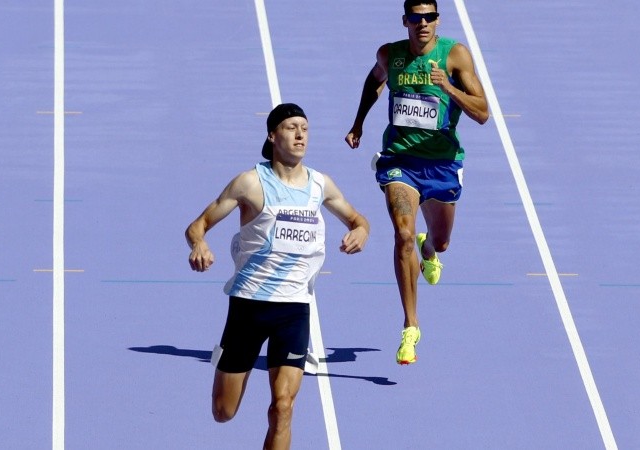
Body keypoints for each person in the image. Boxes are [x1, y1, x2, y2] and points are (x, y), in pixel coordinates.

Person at [186, 103, 369, 450]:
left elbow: (359, 220)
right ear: (272, 135)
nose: (300, 134)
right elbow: (198, 226)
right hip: (249, 306)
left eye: (305, 128)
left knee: (283, 407)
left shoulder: (320, 184)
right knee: (223, 412)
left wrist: (361, 231)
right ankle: (225, 361)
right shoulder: (250, 183)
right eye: (291, 127)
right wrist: (199, 245)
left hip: (294, 309)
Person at [344, 0, 489, 365]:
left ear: (437, 20)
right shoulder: (389, 55)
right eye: (415, 17)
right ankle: (410, 326)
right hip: (400, 162)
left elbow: (483, 113)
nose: (422, 23)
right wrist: (359, 122)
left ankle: (430, 250)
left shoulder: (454, 56)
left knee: (439, 240)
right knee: (402, 234)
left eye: (429, 17)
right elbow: (374, 80)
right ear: (405, 20)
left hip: (441, 164)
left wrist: (449, 88)